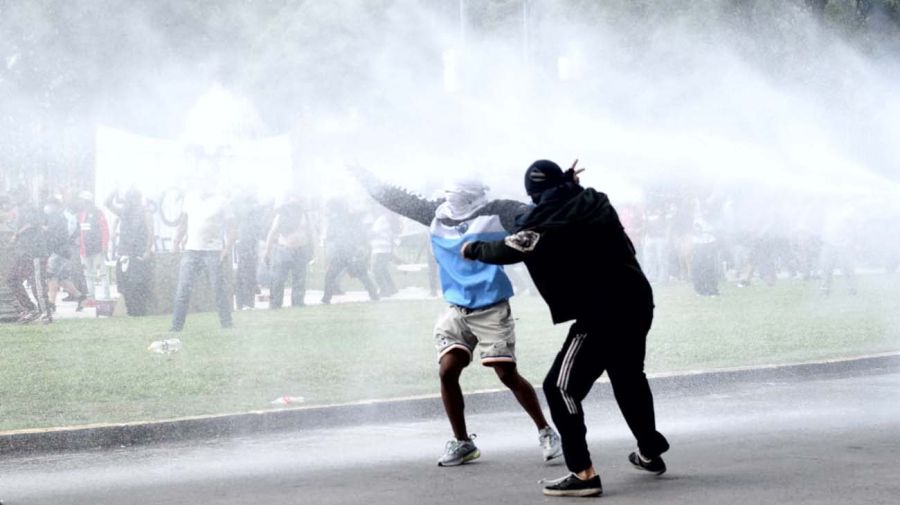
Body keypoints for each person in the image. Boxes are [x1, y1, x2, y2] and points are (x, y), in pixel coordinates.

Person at [462, 160, 669, 497]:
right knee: (628, 376)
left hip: (603, 311)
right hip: (637, 302)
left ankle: (583, 472)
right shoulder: (595, 201)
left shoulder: (545, 221)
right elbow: (565, 204)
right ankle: (649, 450)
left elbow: (515, 245)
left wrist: (475, 249)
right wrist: (568, 184)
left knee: (559, 388)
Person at [350, 165, 562, 467]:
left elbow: (536, 217)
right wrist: (363, 175)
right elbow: (395, 198)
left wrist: (563, 188)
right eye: (451, 195)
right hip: (457, 308)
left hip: (491, 305)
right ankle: (463, 442)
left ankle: (546, 431)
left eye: (460, 196)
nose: (454, 202)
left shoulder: (497, 211)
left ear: (475, 195)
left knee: (505, 373)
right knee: (448, 370)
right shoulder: (436, 214)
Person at [170, 187, 235, 332]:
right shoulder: (190, 197)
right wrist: (176, 242)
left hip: (213, 251)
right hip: (191, 250)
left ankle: (227, 323)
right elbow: (184, 223)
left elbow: (232, 228)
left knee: (218, 289)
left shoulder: (222, 202)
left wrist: (227, 249)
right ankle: (176, 326)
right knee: (183, 289)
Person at [106, 188, 154, 315]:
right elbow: (108, 203)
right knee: (124, 285)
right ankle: (130, 310)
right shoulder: (123, 212)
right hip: (124, 252)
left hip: (138, 253)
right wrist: (115, 190)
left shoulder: (145, 213)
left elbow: (150, 233)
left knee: (138, 285)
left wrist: (147, 251)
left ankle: (139, 311)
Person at [320, 199, 379, 304]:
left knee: (330, 276)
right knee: (362, 275)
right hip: (351, 252)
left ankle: (326, 298)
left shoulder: (337, 221)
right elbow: (360, 233)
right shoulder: (351, 218)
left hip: (343, 252)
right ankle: (374, 294)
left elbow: (331, 236)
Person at [6, 189, 51, 324]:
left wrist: (16, 234)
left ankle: (46, 313)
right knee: (12, 279)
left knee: (37, 283)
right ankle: (30, 309)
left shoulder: (30, 207)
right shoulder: (17, 211)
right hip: (22, 254)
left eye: (15, 196)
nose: (13, 200)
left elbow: (33, 223)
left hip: (35, 252)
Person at [264, 194, 315, 308]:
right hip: (283, 250)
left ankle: (298, 302)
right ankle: (275, 304)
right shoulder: (281, 215)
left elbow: (310, 233)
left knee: (300, 278)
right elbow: (272, 233)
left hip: (301, 249)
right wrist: (267, 251)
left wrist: (312, 249)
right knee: (278, 279)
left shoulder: (305, 215)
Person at [44, 197, 86, 313]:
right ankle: (80, 296)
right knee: (62, 279)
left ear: (55, 205)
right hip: (64, 250)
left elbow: (55, 234)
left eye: (49, 205)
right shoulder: (63, 217)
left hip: (58, 251)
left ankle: (51, 303)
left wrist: (45, 230)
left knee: (51, 276)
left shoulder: (58, 218)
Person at [75, 191, 111, 302]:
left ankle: (106, 296)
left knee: (102, 273)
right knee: (88, 274)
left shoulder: (98, 213)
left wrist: (104, 245)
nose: (79, 202)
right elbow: (80, 230)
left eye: (81, 200)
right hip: (85, 250)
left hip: (97, 249)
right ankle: (91, 296)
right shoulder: (81, 214)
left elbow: (104, 230)